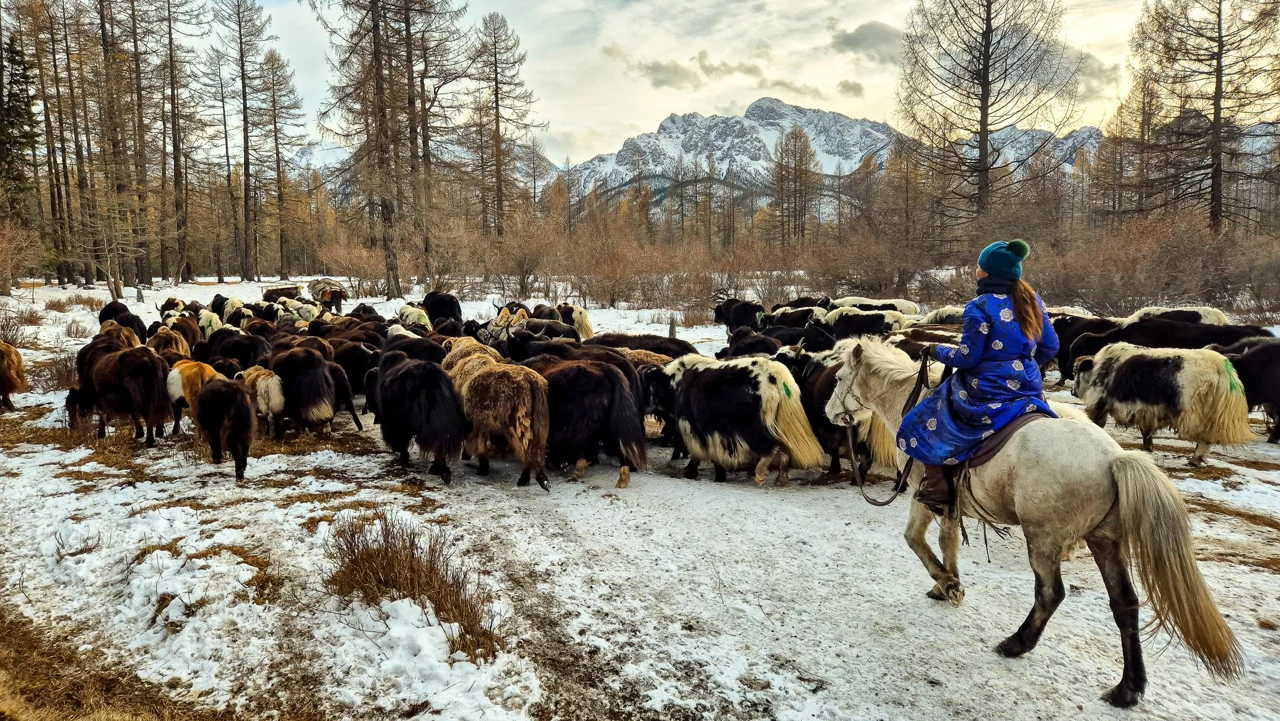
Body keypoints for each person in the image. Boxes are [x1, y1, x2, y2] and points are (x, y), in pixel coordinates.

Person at [898, 239, 1060, 513]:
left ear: (986, 272)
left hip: (986, 388)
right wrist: (1023, 367)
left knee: (925, 417)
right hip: (1029, 387)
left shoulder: (979, 306)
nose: (976, 269)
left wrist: (935, 350)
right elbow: (1051, 347)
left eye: (979, 265)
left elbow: (967, 358)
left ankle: (938, 487)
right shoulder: (1033, 300)